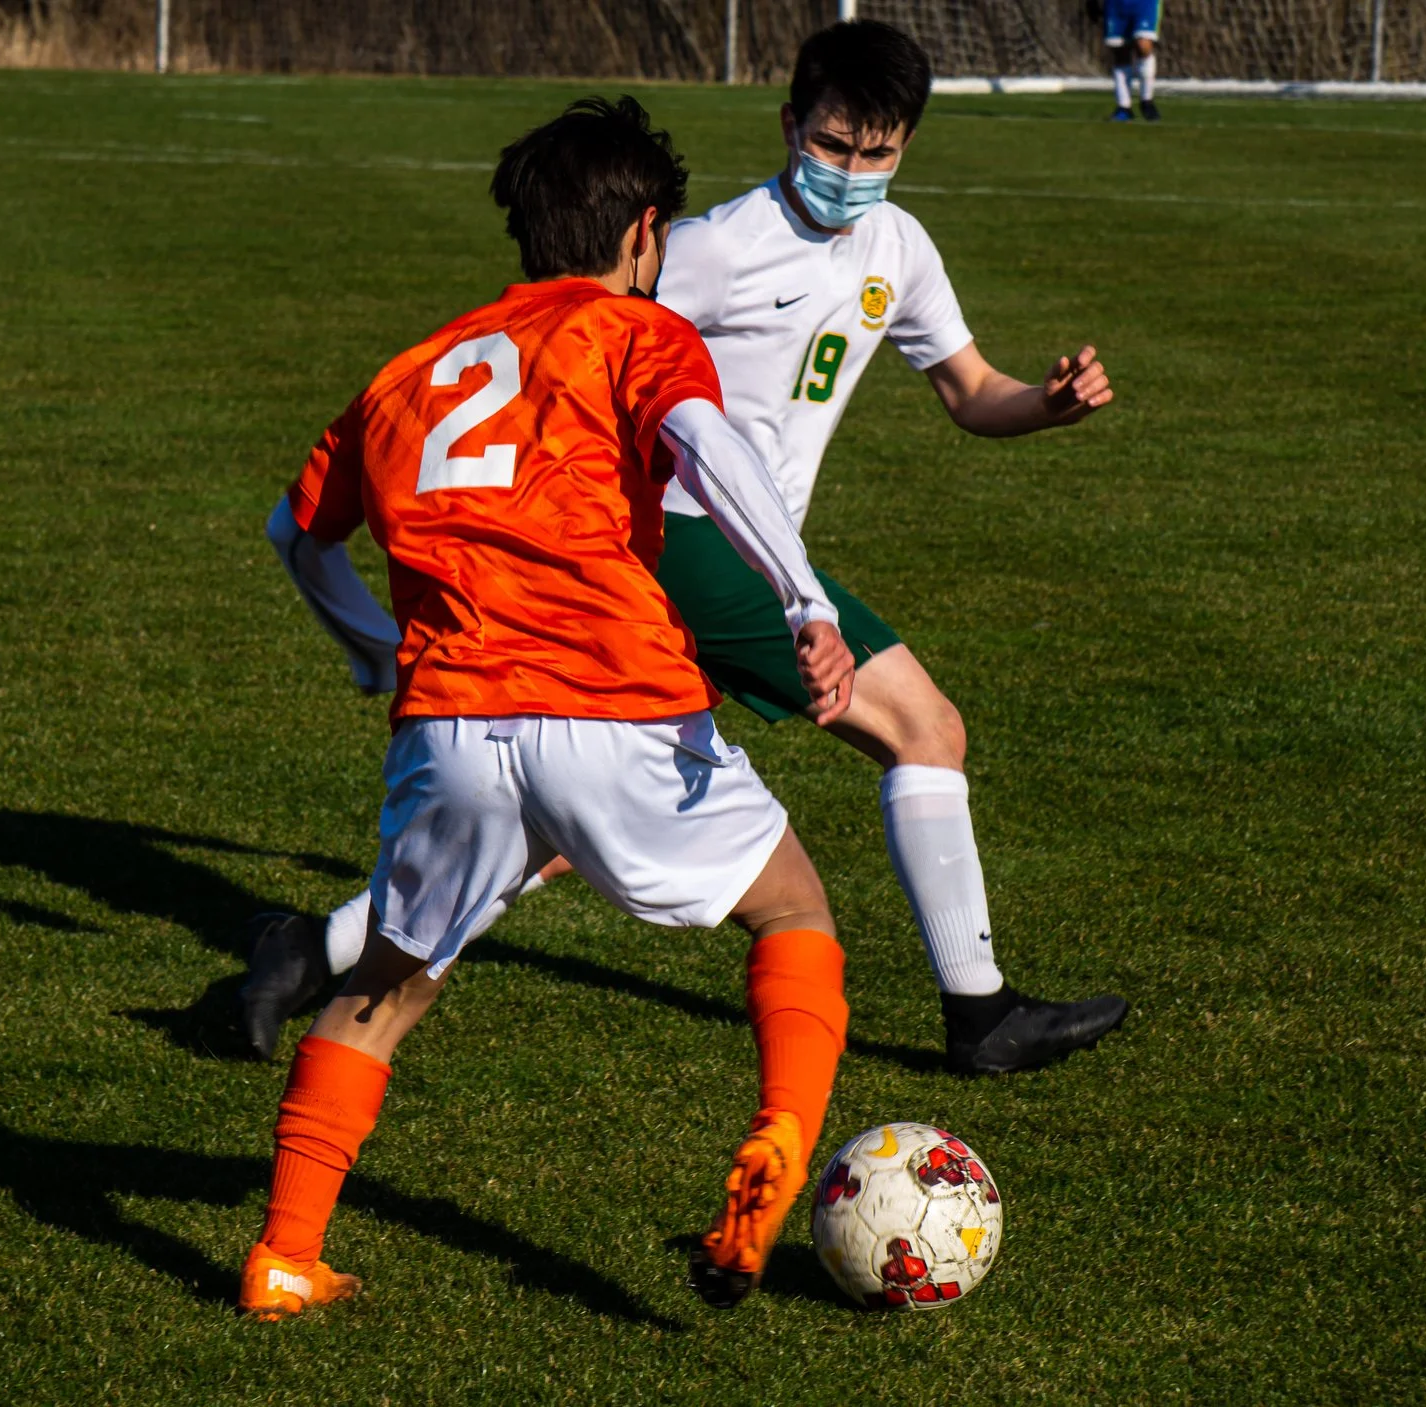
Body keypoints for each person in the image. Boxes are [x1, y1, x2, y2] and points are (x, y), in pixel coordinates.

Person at [243, 20, 1129, 1079]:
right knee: (925, 729)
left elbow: (970, 393)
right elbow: (586, 348)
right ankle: (980, 1013)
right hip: (694, 543)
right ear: (790, 123)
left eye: (877, 153)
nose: (851, 173)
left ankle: (310, 950)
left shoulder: (900, 248)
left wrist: (1049, 403)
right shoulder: (709, 247)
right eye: (834, 145)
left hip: (737, 549)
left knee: (565, 825)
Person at [240, 96, 859, 1319]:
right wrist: (804, 602)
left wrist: (373, 649)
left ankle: (280, 1256)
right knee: (794, 909)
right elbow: (706, 444)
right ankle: (780, 1143)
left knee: (393, 981)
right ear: (644, 233)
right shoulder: (633, 333)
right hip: (612, 700)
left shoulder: (411, 369)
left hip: (452, 728)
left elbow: (295, 534)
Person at [1104, 0, 1162, 121]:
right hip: (1116, 4)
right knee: (1120, 50)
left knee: (1143, 44)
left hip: (1144, 3)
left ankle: (1147, 100)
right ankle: (1124, 107)